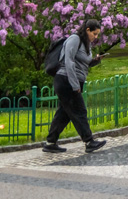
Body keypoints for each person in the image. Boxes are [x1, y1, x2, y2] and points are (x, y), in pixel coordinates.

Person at [44, 20, 107, 153]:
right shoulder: (74, 39)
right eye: (94, 34)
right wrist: (74, 84)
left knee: (64, 113)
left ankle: (50, 142)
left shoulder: (85, 44)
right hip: (66, 80)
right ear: (87, 30)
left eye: (97, 35)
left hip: (73, 81)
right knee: (79, 111)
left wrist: (95, 61)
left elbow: (84, 64)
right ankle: (89, 141)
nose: (95, 37)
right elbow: (68, 61)